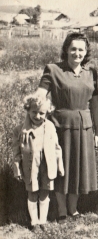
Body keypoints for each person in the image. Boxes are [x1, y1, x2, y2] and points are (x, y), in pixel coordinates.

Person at [35, 33, 98, 223]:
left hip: (84, 126)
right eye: (73, 48)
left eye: (81, 49)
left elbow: (95, 105)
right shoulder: (53, 69)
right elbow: (40, 94)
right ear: (66, 49)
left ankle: (73, 208)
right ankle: (62, 209)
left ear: (86, 52)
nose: (77, 53)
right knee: (60, 166)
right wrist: (37, 105)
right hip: (60, 127)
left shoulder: (92, 73)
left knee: (78, 167)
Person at [12, 94, 64, 231]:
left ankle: (43, 221)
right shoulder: (20, 130)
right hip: (30, 167)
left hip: (47, 165)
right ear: (28, 110)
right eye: (34, 112)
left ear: (47, 112)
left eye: (42, 113)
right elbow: (16, 153)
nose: (38, 116)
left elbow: (57, 148)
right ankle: (34, 222)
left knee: (45, 192)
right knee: (32, 192)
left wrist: (60, 165)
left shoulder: (50, 127)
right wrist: (17, 169)